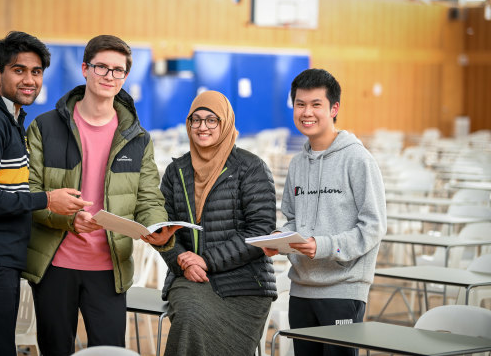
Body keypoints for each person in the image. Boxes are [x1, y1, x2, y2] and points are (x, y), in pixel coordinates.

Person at [0, 31, 91, 356]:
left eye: (36, 72)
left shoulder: (9, 119)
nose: (29, 80)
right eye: (18, 70)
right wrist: (48, 199)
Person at [22, 34, 168, 355]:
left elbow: (148, 198)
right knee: (55, 349)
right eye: (101, 67)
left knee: (108, 352)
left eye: (118, 70)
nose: (109, 76)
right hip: (54, 265)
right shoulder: (45, 128)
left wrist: (157, 227)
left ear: (125, 77)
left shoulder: (137, 138)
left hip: (109, 267)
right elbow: (28, 194)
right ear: (85, 69)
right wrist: (69, 219)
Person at [263, 68, 387, 356]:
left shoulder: (357, 159)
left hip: (343, 290)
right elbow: (293, 219)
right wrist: (279, 239)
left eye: (316, 104)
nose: (307, 112)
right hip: (301, 289)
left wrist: (323, 246)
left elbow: (373, 227)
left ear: (334, 109)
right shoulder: (297, 164)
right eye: (300, 104)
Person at [144, 90, 278, 356]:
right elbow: (166, 229)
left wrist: (206, 260)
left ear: (225, 122)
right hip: (190, 279)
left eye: (211, 120)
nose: (202, 127)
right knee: (191, 316)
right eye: (196, 119)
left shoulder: (250, 168)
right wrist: (181, 259)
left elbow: (260, 231)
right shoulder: (176, 172)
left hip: (246, 283)